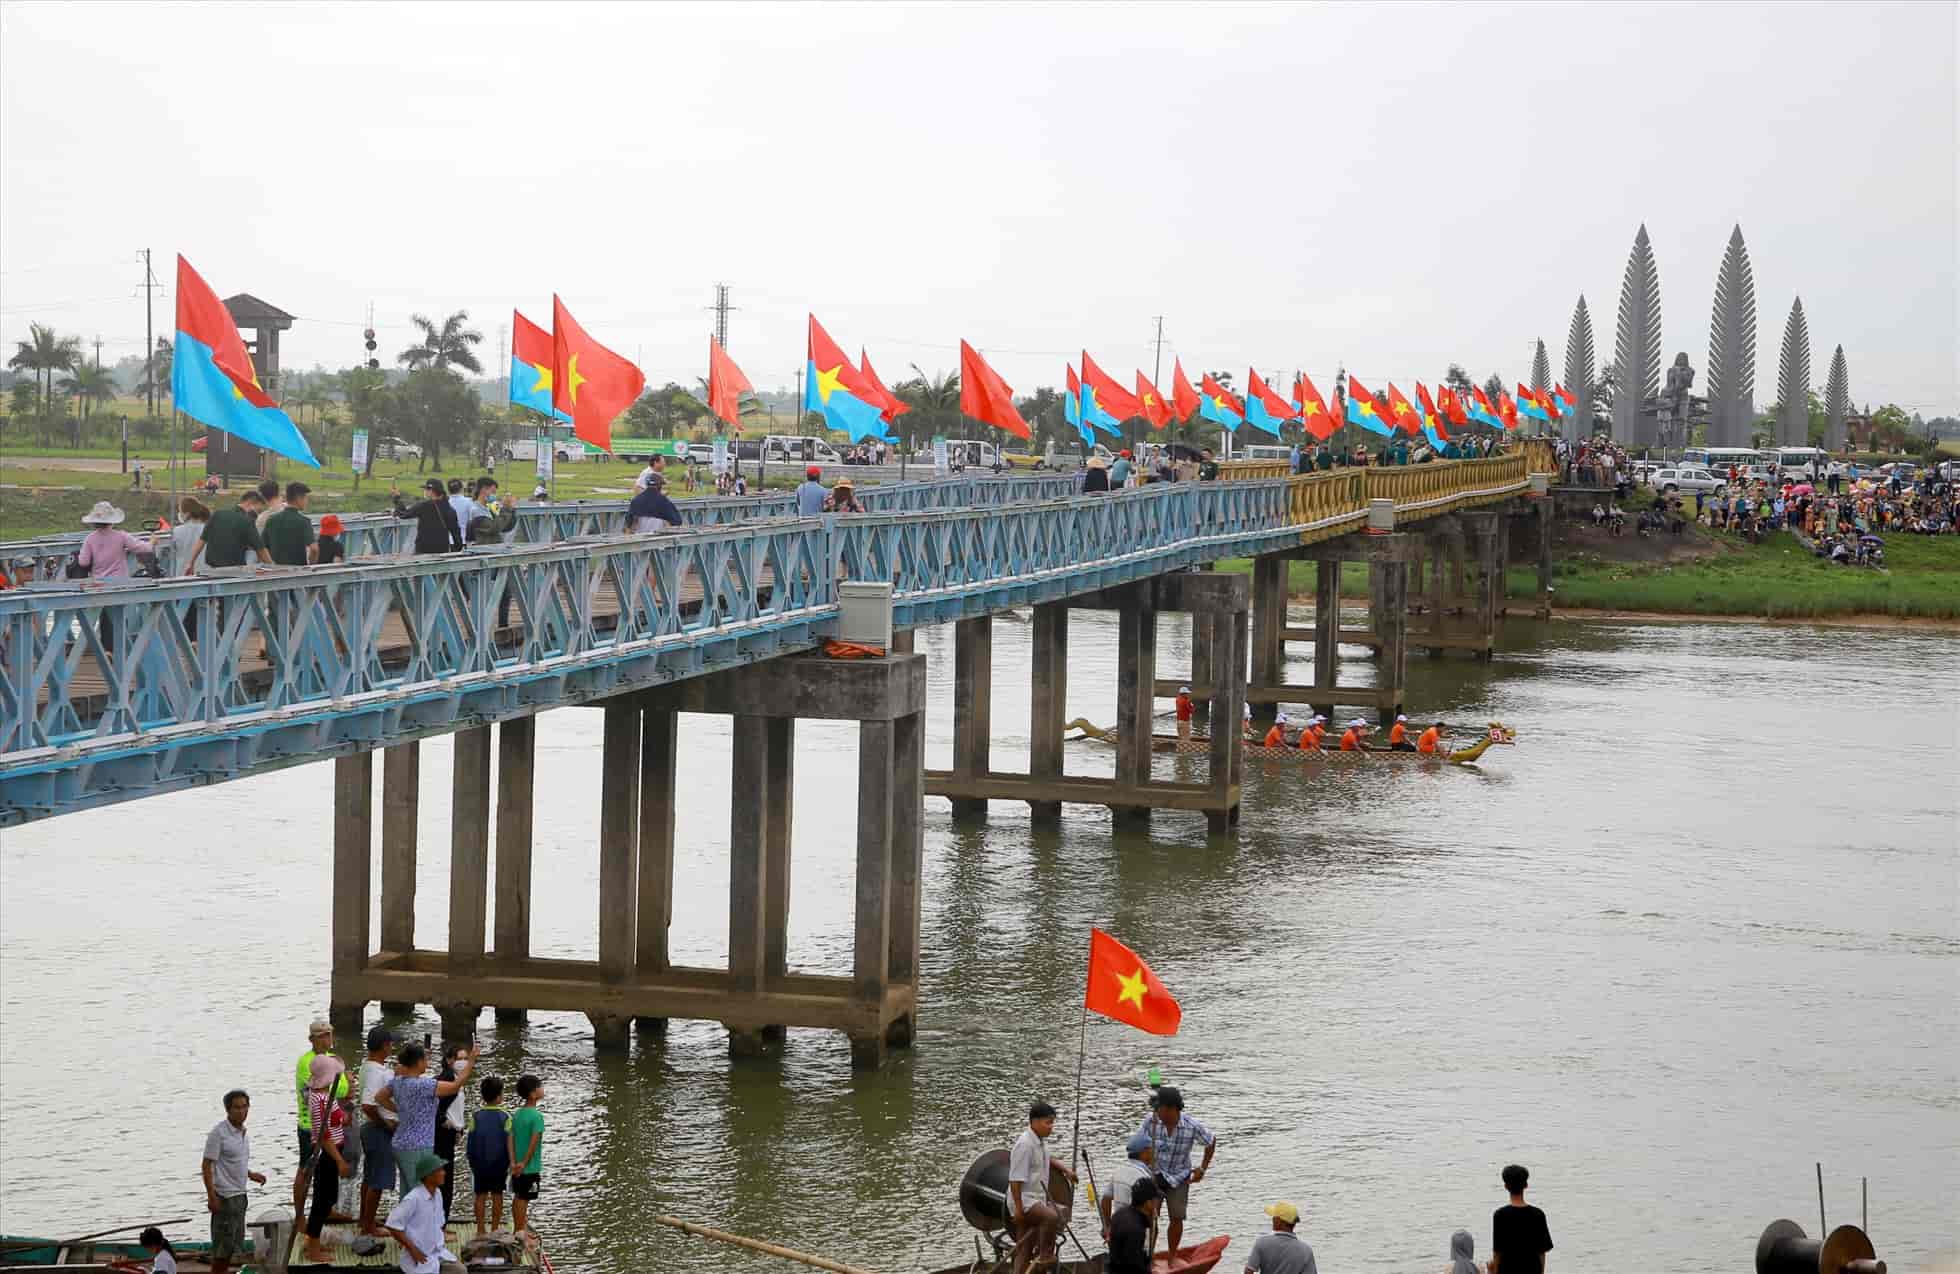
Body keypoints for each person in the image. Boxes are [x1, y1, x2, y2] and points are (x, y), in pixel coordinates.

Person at [378, 1039, 477, 1195]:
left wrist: (400, 1110)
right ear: (418, 1062)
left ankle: (404, 1218)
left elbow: (379, 1097)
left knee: (407, 1190)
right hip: (418, 1146)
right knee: (418, 1192)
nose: (428, 1062)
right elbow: (455, 1086)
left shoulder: (397, 1082)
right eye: (425, 1059)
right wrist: (471, 1061)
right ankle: (412, 1219)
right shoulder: (424, 1085)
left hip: (400, 1143)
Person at [1139, 1086, 1215, 1257]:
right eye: (1157, 1110)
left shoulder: (1191, 1125)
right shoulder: (1150, 1122)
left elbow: (1210, 1141)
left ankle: (1172, 1255)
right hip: (1155, 1175)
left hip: (1179, 1177)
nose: (1158, 1114)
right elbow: (1138, 1145)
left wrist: (1202, 1169)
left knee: (1177, 1218)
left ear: (1173, 1109)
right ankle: (1148, 1256)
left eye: (1161, 1110)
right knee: (1150, 1217)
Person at [202, 1089, 266, 1274]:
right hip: (224, 1198)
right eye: (237, 1107)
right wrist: (211, 1196)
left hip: (240, 1196)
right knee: (222, 1251)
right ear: (228, 1110)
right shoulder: (219, 1133)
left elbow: (233, 1162)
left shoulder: (242, 1132)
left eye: (245, 1107)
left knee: (233, 1247)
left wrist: (250, 1174)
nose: (242, 1111)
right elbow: (207, 1165)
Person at [1008, 1100, 1073, 1274]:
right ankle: (1046, 1256)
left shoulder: (1039, 1142)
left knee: (1024, 1248)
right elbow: (1015, 1180)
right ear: (1035, 1122)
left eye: (1052, 1122)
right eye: (1048, 1122)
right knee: (1052, 1217)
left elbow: (1047, 1159)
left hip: (1036, 1199)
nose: (1051, 1127)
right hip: (1024, 1200)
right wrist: (1019, 1210)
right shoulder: (1024, 1145)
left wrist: (1066, 1170)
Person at [302, 1055, 355, 1264]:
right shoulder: (319, 1100)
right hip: (327, 1154)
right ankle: (313, 1247)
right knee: (322, 1201)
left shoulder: (326, 1097)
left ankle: (313, 1239)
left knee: (329, 1197)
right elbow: (323, 1135)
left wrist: (346, 1114)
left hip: (334, 1150)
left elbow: (337, 1118)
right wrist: (339, 1161)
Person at [292, 1020, 348, 1218]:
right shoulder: (308, 1062)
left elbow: (340, 1088)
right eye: (322, 1036)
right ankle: (300, 1217)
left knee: (325, 1173)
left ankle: (326, 1209)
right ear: (312, 1039)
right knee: (305, 1170)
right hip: (311, 1126)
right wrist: (343, 1083)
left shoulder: (330, 1058)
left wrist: (343, 1084)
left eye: (329, 1035)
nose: (327, 1039)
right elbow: (337, 1089)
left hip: (330, 1122)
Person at [384, 1150, 462, 1274]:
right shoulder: (413, 1198)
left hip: (437, 1253)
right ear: (429, 1175)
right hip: (419, 1258)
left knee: (460, 1270)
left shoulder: (438, 1194)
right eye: (440, 1170)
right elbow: (392, 1225)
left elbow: (439, 1224)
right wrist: (413, 1250)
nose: (444, 1173)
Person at [357, 1025, 398, 1237]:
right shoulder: (375, 1071)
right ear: (384, 1046)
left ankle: (365, 1219)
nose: (392, 1047)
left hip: (372, 1128)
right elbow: (368, 1105)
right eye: (390, 1043)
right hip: (377, 1129)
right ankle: (368, 1226)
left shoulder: (369, 1067)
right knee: (377, 1181)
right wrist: (386, 1124)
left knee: (369, 1177)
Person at [467, 1075, 513, 1234]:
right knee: (497, 1195)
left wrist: (471, 1161)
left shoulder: (475, 1116)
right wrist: (510, 1163)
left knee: (480, 1195)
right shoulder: (506, 1117)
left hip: (479, 1164)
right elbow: (510, 1142)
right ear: (499, 1096)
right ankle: (494, 1228)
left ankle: (480, 1229)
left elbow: (470, 1141)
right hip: (499, 1165)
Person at [1489, 1164, 1552, 1274]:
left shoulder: (1500, 1215)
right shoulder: (1538, 1214)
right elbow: (1542, 1252)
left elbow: (1497, 1252)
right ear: (1526, 1185)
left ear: (1506, 1186)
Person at [433, 1043, 471, 1218]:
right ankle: (440, 1223)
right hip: (443, 1134)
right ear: (449, 1060)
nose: (463, 1062)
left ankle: (442, 1220)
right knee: (443, 1179)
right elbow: (435, 1106)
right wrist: (444, 1121)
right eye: (459, 1059)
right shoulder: (448, 1079)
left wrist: (459, 1130)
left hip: (452, 1133)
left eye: (466, 1059)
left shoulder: (457, 1079)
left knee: (446, 1178)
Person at [508, 1073, 546, 1236]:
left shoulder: (517, 1114)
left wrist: (513, 1162)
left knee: (518, 1196)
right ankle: (520, 1231)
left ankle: (519, 1226)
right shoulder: (537, 1116)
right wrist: (524, 1162)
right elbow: (534, 1142)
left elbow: (510, 1138)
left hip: (516, 1166)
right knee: (524, 1198)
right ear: (532, 1093)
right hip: (529, 1167)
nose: (543, 1089)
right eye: (540, 1086)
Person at [1101, 1132, 1156, 1241]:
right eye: (1152, 1149)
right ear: (1144, 1152)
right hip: (1136, 1229)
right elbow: (1149, 1209)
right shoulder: (1144, 1176)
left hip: (1118, 1225)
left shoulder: (1118, 1170)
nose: (1154, 1153)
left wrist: (1107, 1226)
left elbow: (1105, 1200)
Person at [1244, 1201, 1317, 1274]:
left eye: (1274, 1217)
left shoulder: (1262, 1243)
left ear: (1278, 1221)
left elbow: (1248, 1271)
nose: (1272, 1219)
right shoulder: (1306, 1251)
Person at [1107, 1177, 1162, 1274]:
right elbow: (1134, 1266)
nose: (1157, 1203)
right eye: (1156, 1199)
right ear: (1148, 1203)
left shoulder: (1119, 1214)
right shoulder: (1136, 1230)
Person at [394, 479, 463, 554]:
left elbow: (403, 514)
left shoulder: (423, 506)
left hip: (423, 550)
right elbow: (456, 533)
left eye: (426, 489)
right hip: (442, 550)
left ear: (431, 491)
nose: (425, 491)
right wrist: (458, 550)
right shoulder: (449, 508)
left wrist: (397, 498)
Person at [263, 482, 318, 567]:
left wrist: (270, 564)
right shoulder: (304, 521)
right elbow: (314, 549)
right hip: (297, 571)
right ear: (299, 498)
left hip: (275, 571)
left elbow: (262, 547)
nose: (307, 501)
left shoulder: (271, 519)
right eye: (305, 498)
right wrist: (312, 564)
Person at [155, 497, 209, 578]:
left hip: (183, 575)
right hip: (205, 574)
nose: (179, 514)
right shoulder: (209, 529)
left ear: (187, 514)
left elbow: (161, 550)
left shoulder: (176, 531)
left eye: (180, 511)